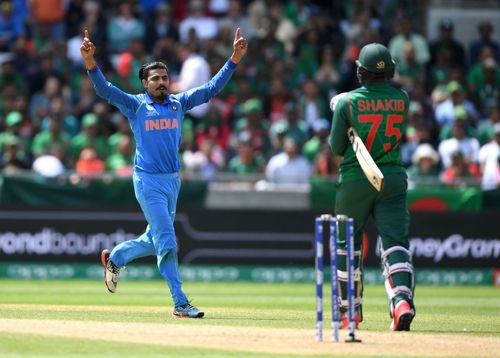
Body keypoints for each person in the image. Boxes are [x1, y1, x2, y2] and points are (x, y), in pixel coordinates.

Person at [80, 28, 247, 318]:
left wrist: (234, 58)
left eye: (165, 78)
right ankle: (180, 302)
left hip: (172, 181)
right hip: (147, 181)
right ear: (144, 83)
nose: (161, 82)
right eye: (155, 79)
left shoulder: (178, 103)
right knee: (168, 242)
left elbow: (210, 89)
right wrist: (90, 62)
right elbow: (105, 90)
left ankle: (116, 257)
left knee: (154, 238)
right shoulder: (136, 105)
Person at [329, 43, 415, 331]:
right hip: (392, 177)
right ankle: (401, 301)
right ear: (389, 70)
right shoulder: (402, 99)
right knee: (395, 243)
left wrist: (341, 109)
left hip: (356, 179)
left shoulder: (346, 103)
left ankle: (348, 313)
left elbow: (336, 146)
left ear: (360, 71)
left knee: (347, 246)